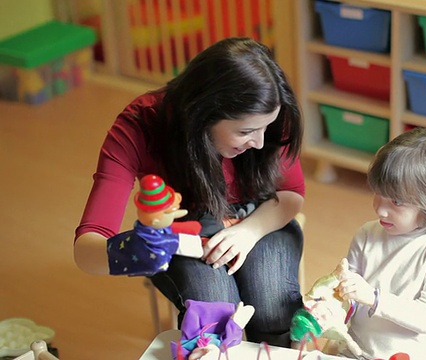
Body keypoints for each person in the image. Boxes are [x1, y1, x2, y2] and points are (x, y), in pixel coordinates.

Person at [73, 37, 305, 347]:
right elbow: (87, 248)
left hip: (260, 214)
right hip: (188, 227)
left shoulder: (267, 109)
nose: (260, 143)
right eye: (246, 131)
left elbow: (290, 193)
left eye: (265, 129)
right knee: (214, 311)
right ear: (203, 114)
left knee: (272, 304)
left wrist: (248, 232)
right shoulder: (140, 126)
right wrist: (134, 250)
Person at [334, 127, 426, 359]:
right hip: (355, 351)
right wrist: (329, 305)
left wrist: (374, 297)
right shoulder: (366, 235)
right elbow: (347, 298)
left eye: (397, 202)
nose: (380, 208)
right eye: (378, 194)